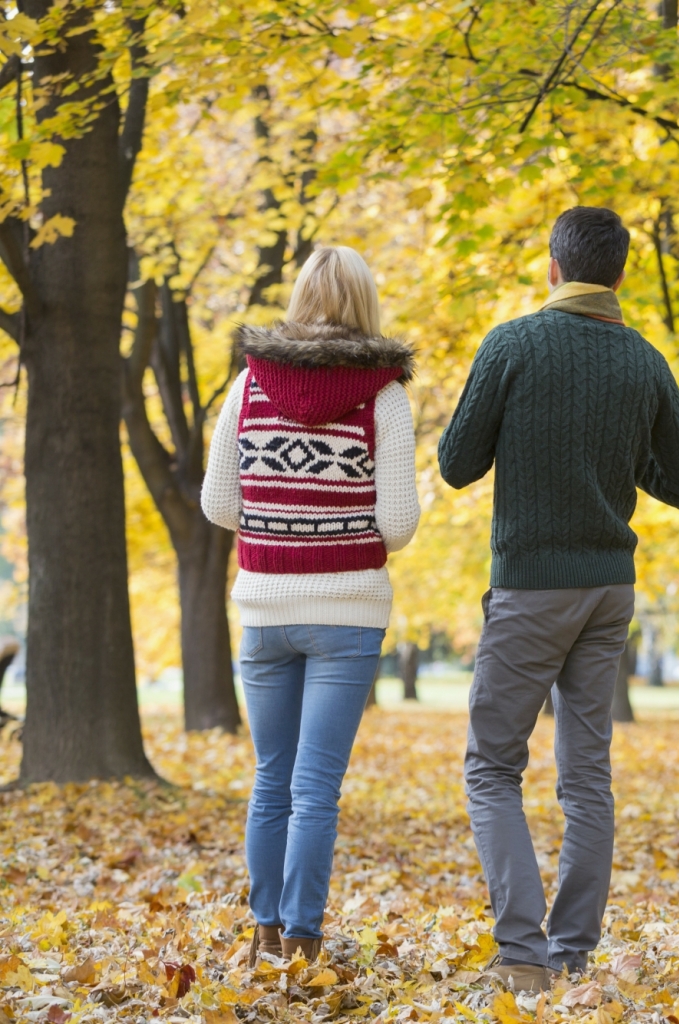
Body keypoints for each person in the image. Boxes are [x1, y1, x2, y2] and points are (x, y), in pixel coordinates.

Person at [438, 207, 679, 992]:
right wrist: (612, 463)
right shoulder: (644, 361)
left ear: (553, 267)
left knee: (492, 768)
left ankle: (523, 955)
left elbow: (458, 464)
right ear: (619, 274)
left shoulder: (512, 344)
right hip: (608, 592)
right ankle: (573, 951)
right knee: (586, 775)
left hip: (531, 589)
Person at [202, 245, 420, 964]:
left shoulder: (248, 388)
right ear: (365, 306)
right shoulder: (385, 397)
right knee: (315, 786)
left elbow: (217, 503)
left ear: (298, 300)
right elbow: (398, 525)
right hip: (348, 611)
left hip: (264, 606)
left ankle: (262, 929)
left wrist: (278, 527)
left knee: (271, 777)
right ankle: (302, 939)